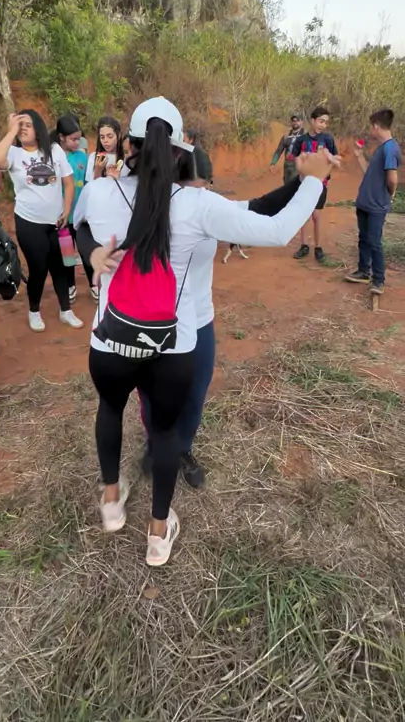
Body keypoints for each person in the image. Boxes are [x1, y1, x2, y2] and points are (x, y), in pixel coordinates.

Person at [73, 96, 336, 566]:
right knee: (167, 433)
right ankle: (158, 535)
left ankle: (111, 503)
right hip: (174, 345)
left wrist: (92, 252)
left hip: (111, 340)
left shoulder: (98, 192)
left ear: (128, 146)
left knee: (109, 409)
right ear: (181, 152)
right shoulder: (198, 205)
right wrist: (313, 179)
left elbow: (79, 228)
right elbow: (276, 230)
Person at [0, 110, 83, 332]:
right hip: (29, 222)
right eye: (19, 125)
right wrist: (11, 130)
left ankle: (66, 310)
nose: (22, 129)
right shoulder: (14, 153)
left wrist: (66, 211)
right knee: (38, 268)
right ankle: (34, 311)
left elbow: (68, 183)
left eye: (27, 125)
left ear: (38, 128)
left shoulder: (54, 150)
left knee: (62, 266)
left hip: (58, 222)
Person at [345, 109, 402, 296]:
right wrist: (359, 155)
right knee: (364, 238)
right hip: (365, 203)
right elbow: (369, 173)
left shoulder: (390, 148)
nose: (371, 130)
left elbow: (392, 178)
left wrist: (390, 194)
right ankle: (363, 271)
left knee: (374, 242)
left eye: (371, 126)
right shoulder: (382, 148)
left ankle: (379, 280)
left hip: (377, 205)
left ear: (376, 126)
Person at [50, 114, 96, 303]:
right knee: (67, 254)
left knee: (86, 251)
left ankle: (94, 284)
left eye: (79, 139)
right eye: (73, 139)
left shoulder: (82, 157)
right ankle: (70, 285)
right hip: (62, 217)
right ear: (61, 137)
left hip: (81, 216)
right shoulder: (53, 157)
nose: (77, 143)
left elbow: (88, 183)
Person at [291, 106, 339, 263]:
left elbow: (335, 158)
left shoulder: (328, 140)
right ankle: (304, 245)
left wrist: (327, 162)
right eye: (320, 121)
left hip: (320, 184)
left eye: (325, 122)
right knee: (304, 215)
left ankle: (318, 247)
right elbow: (296, 158)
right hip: (304, 184)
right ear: (312, 120)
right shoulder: (301, 140)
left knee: (317, 216)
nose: (323, 125)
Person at [85, 116, 125, 182]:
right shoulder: (93, 157)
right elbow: (90, 185)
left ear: (119, 135)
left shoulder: (125, 159)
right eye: (102, 137)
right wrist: (98, 170)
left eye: (110, 136)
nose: (105, 140)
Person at [270, 114, 304, 184]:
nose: (295, 122)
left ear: (301, 122)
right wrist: (273, 163)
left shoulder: (305, 134)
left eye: (297, 120)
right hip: (287, 165)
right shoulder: (286, 136)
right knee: (287, 185)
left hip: (299, 165)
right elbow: (279, 150)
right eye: (293, 121)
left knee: (295, 185)